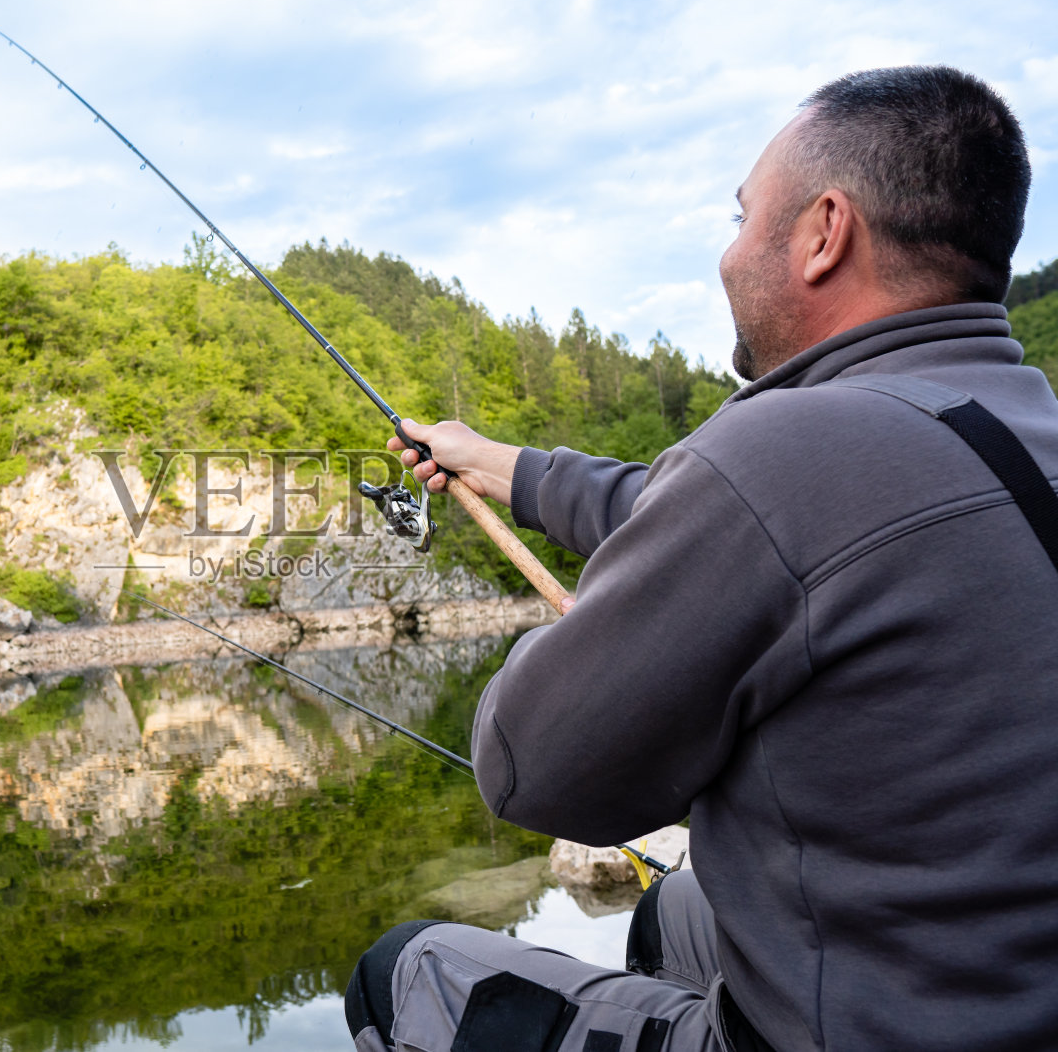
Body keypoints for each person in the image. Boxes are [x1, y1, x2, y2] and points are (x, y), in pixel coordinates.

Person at [345, 66, 1058, 1051]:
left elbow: (526, 768)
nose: (728, 256)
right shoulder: (1006, 427)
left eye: (739, 218)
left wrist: (613, 632)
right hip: (1001, 980)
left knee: (402, 970)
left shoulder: (779, 451)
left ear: (822, 233)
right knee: (661, 910)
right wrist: (496, 463)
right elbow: (685, 511)